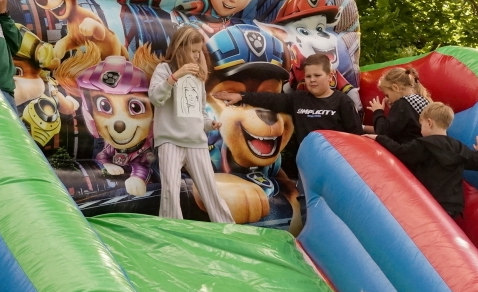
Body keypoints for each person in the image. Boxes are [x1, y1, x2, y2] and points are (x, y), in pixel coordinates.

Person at [149, 26, 235, 222]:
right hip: (170, 140)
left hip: (196, 141)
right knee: (170, 192)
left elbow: (199, 111)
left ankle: (228, 229)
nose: (197, 55)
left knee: (210, 191)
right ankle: (172, 232)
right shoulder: (164, 69)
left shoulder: (198, 76)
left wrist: (210, 123)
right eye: (193, 51)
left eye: (199, 51)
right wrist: (174, 77)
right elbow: (155, 98)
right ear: (180, 48)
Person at [213, 53, 362, 148]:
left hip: (337, 165)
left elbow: (357, 139)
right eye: (308, 76)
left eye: (317, 75)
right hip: (307, 165)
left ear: (330, 76)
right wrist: (241, 96)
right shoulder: (298, 98)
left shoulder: (343, 102)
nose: (312, 80)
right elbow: (270, 99)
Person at [370, 102, 478, 219]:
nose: (421, 130)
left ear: (429, 122)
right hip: (453, 205)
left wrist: (379, 138)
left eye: (421, 125)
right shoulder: (459, 147)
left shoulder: (423, 144)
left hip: (430, 201)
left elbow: (400, 151)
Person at [363, 66, 431, 143]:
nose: (387, 99)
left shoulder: (402, 104)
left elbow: (383, 132)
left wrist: (378, 111)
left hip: (408, 147)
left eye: (387, 95)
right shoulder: (421, 100)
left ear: (395, 87)